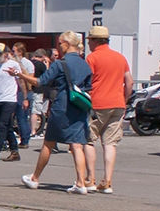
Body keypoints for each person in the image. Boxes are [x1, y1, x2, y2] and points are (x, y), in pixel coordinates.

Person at [17, 30, 93, 192]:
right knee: (77, 145)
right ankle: (80, 183)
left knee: (48, 143)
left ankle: (35, 178)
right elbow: (89, 87)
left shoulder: (60, 64)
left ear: (67, 44)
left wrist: (21, 75)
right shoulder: (84, 64)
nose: (58, 47)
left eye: (59, 44)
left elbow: (40, 81)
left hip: (62, 106)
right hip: (79, 107)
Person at [83, 24, 132, 193]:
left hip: (98, 103)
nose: (88, 43)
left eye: (90, 41)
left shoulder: (92, 58)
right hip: (117, 103)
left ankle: (90, 179)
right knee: (110, 143)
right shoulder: (120, 57)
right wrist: (124, 100)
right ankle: (107, 181)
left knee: (89, 140)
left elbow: (86, 82)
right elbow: (129, 82)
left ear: (96, 41)